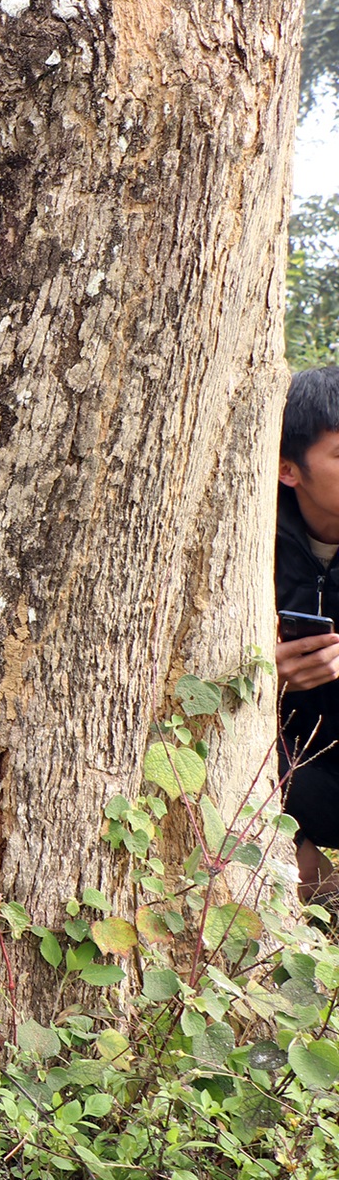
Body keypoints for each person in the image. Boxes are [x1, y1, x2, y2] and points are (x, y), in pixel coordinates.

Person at [275, 366, 339, 905]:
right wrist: (266, 676)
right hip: (288, 770)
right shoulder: (251, 538)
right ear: (289, 469)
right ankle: (307, 869)